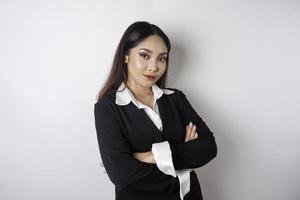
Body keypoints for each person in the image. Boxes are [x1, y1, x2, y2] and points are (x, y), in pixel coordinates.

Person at [94, 21, 217, 200]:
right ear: (125, 56)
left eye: (162, 58)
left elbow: (208, 148)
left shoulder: (176, 98)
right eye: (145, 56)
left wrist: (145, 157)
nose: (154, 67)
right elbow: (122, 175)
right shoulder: (107, 108)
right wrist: (183, 160)